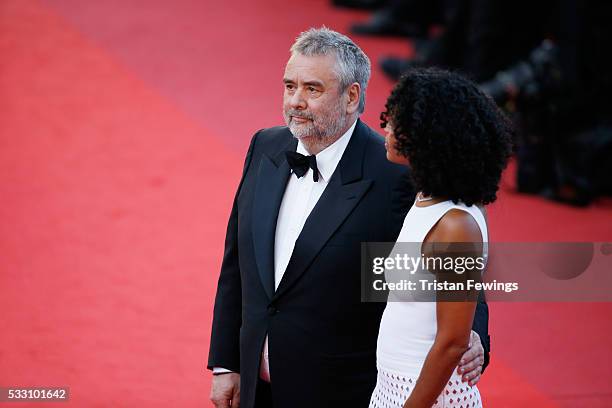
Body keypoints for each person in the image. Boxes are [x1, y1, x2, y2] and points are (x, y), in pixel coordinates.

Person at [207, 28, 491, 408]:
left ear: (351, 96)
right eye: (289, 86)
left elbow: (458, 260)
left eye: (312, 89)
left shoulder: (394, 173)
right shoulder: (265, 146)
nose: (295, 101)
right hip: (258, 391)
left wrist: (473, 334)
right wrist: (227, 363)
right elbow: (236, 264)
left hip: (342, 392)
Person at [370, 68, 512, 407]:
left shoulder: (455, 225)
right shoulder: (430, 199)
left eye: (396, 122)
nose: (385, 129)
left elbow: (451, 341)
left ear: (430, 136)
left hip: (429, 395)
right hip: (397, 384)